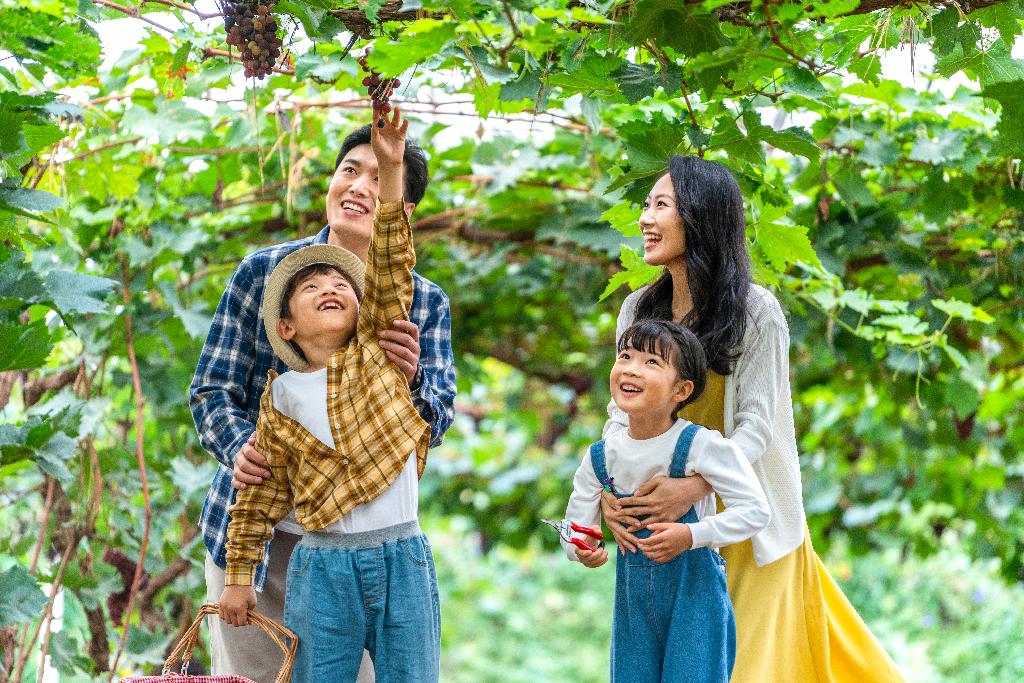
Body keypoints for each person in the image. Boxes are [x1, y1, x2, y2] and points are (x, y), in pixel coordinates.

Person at [601, 154, 904, 682]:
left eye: (661, 205)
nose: (645, 218)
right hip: (672, 535)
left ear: (700, 216)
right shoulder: (636, 312)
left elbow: (757, 428)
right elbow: (617, 417)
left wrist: (693, 488)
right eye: (645, 205)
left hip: (749, 528)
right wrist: (611, 485)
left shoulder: (756, 312)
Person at [190, 112, 455, 683]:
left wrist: (405, 384)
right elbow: (211, 389)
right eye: (348, 171)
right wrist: (245, 450)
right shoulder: (264, 274)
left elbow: (435, 420)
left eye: (376, 179)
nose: (358, 186)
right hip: (256, 541)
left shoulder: (422, 303)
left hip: (359, 544)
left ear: (400, 212)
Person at [561, 319, 770, 683]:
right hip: (632, 607)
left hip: (696, 601)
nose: (630, 368)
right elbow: (574, 528)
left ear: (681, 390)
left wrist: (691, 536)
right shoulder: (600, 457)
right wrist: (582, 548)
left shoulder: (701, 446)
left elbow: (756, 511)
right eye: (625, 356)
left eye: (651, 362)